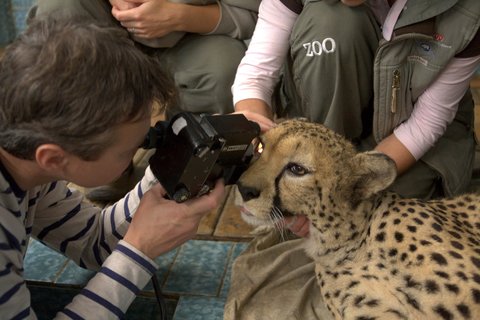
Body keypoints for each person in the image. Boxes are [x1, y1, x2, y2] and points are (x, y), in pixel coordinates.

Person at [225, 0, 480, 319]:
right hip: (328, 124)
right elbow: (256, 72)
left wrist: (344, 182)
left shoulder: (467, 11)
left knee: (397, 220)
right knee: (332, 21)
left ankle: (309, 183)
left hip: (407, 131)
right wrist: (254, 134)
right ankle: (305, 179)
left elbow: (429, 121)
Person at [0, 16, 225, 319]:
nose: (140, 151)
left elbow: (92, 241)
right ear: (53, 158)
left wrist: (165, 175)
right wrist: (138, 252)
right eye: (126, 152)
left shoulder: (27, 157)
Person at [28, 0, 260, 202]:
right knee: (60, 8)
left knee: (225, 67)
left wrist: (179, 17)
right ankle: (106, 157)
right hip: (101, 28)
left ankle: (184, 162)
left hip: (193, 40)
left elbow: (255, 14)